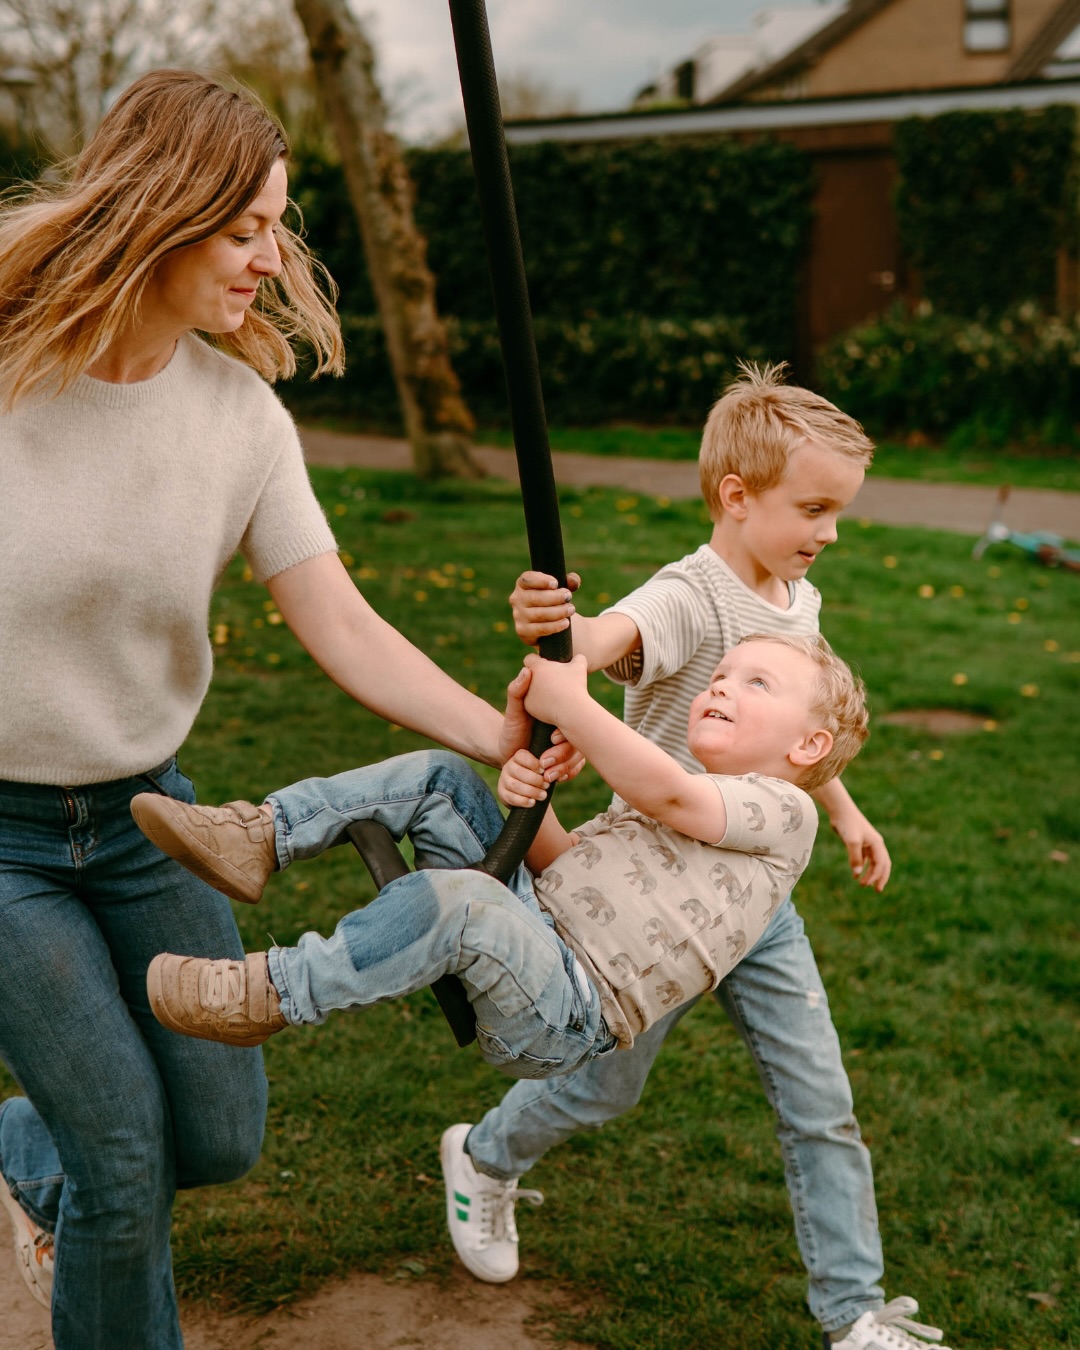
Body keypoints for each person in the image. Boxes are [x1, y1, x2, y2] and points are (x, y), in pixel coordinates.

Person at [0, 68, 572, 1350]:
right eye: (247, 226)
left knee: (218, 1135)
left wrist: (504, 730)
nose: (274, 257)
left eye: (281, 224)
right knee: (126, 1164)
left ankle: (20, 1157)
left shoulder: (238, 421)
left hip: (147, 818)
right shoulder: (7, 367)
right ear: (166, 207)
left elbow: (345, 623)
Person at [435, 364, 955, 1350]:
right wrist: (568, 633)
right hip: (655, 901)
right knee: (605, 1084)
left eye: (837, 511)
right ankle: (486, 1155)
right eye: (815, 508)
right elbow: (611, 637)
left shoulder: (796, 598)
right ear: (736, 497)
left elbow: (798, 727)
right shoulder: (688, 597)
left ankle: (854, 1315)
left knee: (820, 1097)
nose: (830, 531)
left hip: (755, 898)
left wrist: (842, 809)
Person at [132, 634, 864, 1093]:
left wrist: (577, 709)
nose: (721, 686)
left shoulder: (785, 811)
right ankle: (260, 835)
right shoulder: (679, 792)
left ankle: (269, 994)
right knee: (445, 777)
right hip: (536, 923)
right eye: (722, 675)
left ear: (807, 748)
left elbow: (666, 792)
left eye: (755, 683)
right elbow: (564, 861)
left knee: (464, 902)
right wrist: (527, 789)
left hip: (565, 1011)